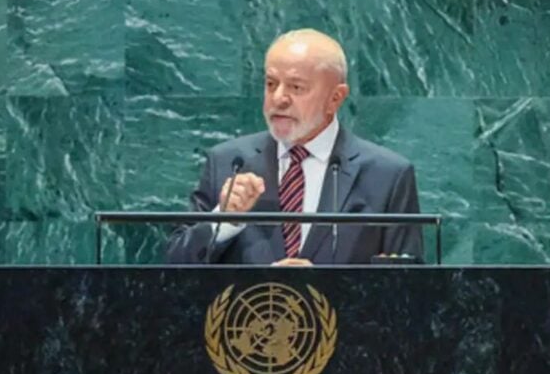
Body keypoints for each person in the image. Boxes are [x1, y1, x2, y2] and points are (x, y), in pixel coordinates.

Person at [166, 28, 422, 265]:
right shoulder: (228, 162)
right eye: (271, 84)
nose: (278, 98)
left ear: (335, 98)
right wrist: (225, 219)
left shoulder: (388, 176)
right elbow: (173, 268)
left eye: (296, 87)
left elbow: (407, 290)